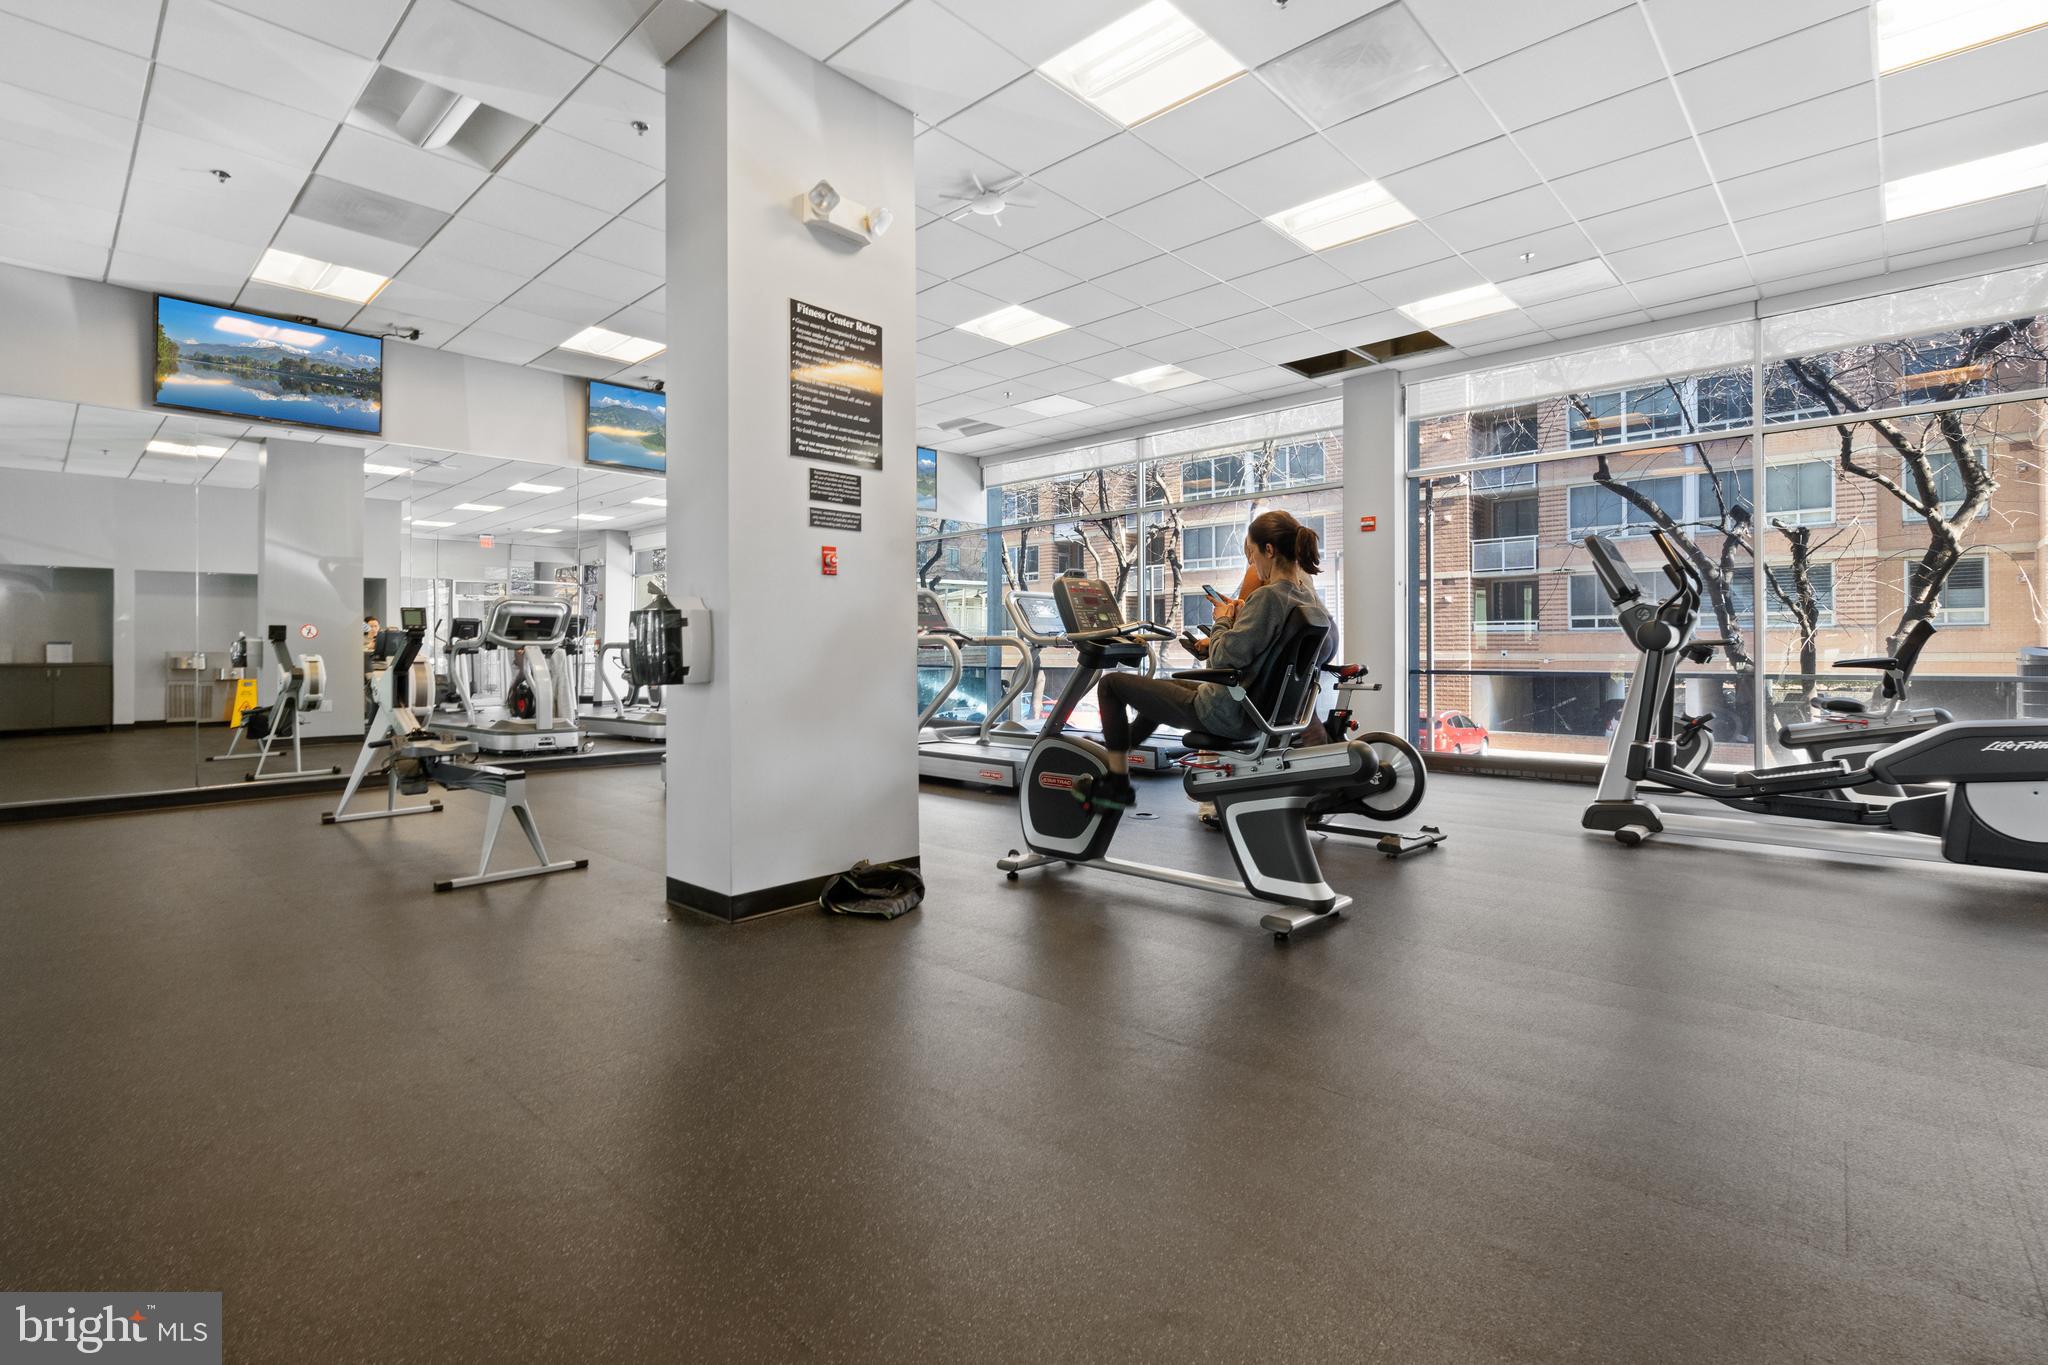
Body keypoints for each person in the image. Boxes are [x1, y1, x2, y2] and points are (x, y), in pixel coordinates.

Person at [1075, 509, 1326, 813]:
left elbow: (1223, 656)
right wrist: (1238, 622)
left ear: (1269, 551)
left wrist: (1222, 620)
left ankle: (1117, 784)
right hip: (1255, 711)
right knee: (1161, 688)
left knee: (1110, 685)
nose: (1252, 563)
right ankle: (1120, 745)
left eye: (1253, 554)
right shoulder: (1306, 598)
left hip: (1228, 712)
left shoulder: (1269, 597)